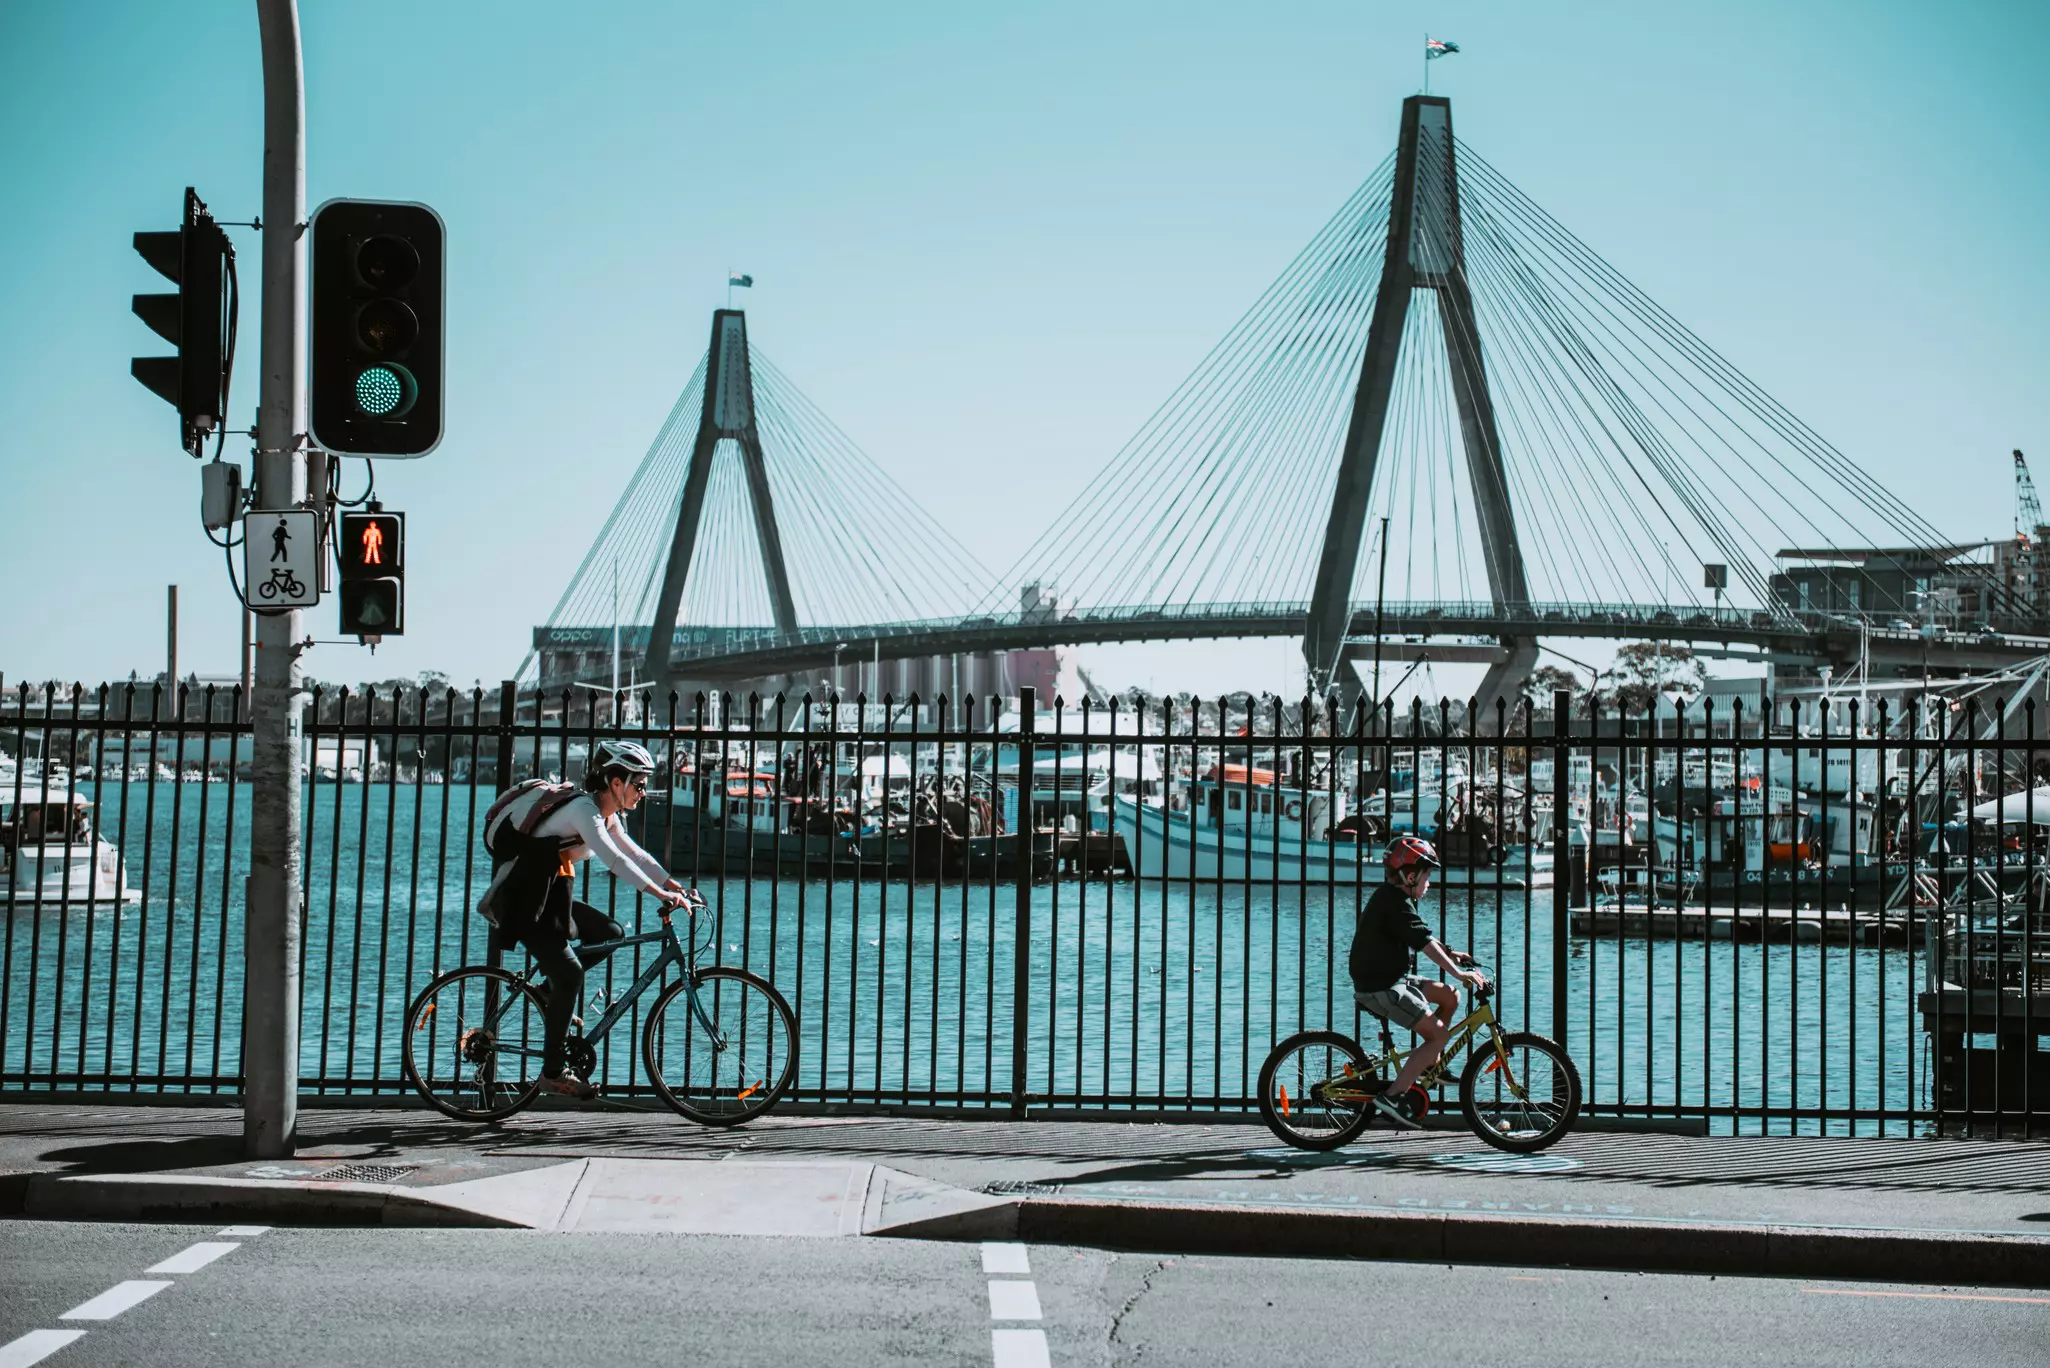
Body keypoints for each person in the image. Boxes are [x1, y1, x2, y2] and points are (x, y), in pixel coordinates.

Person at [478, 739, 694, 1099]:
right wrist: (659, 895)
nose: (644, 791)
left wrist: (672, 884)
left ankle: (548, 993)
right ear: (615, 782)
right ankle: (552, 1073)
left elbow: (634, 853)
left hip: (549, 897)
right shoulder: (583, 810)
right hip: (527, 902)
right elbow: (614, 861)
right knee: (572, 974)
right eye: (639, 783)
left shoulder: (606, 815)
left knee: (610, 932)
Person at [1348, 835, 1488, 1129]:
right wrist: (1458, 972)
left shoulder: (1395, 899)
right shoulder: (1394, 903)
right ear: (1411, 876)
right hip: (1382, 987)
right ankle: (1393, 1096)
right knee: (1438, 1035)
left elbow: (1419, 935)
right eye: (1427, 876)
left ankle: (1432, 1065)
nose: (1429, 883)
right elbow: (1424, 944)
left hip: (1393, 979)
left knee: (1450, 997)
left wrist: (1452, 954)